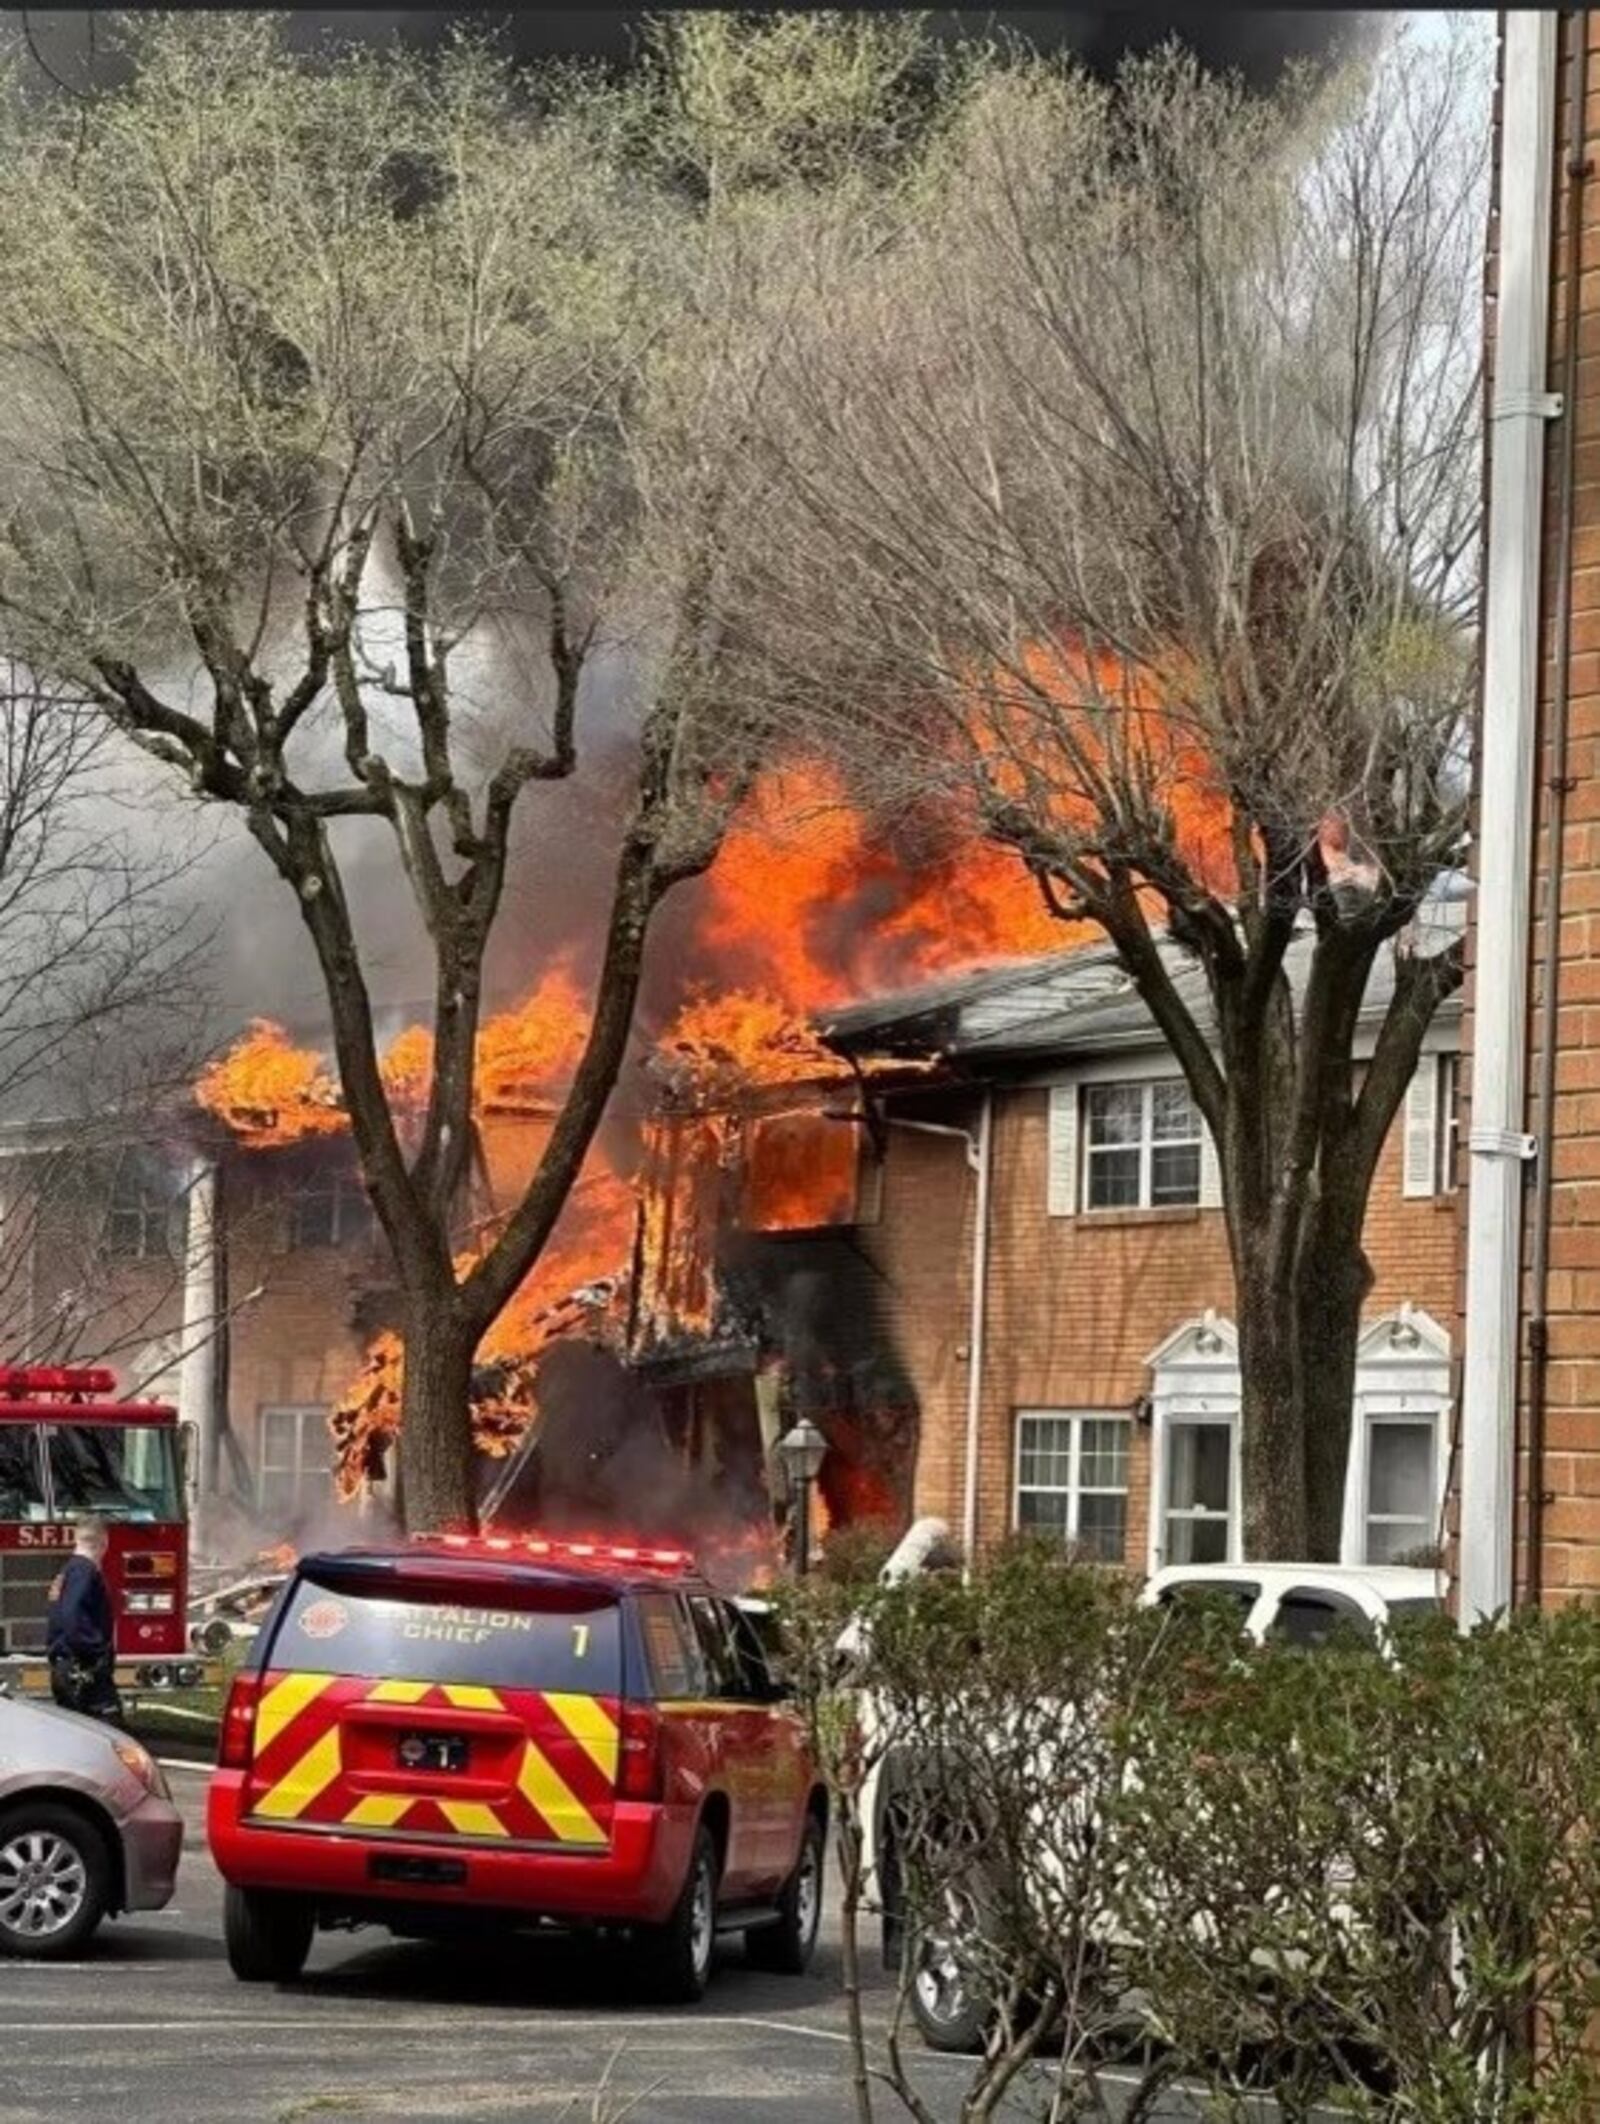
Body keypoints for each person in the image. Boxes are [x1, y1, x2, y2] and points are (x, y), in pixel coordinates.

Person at [46, 1514, 123, 1725]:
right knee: (112, 1734)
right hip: (84, 1671)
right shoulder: (85, 1572)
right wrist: (98, 1650)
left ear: (77, 1539)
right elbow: (72, 1616)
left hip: (66, 1667)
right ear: (103, 1542)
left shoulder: (68, 1571)